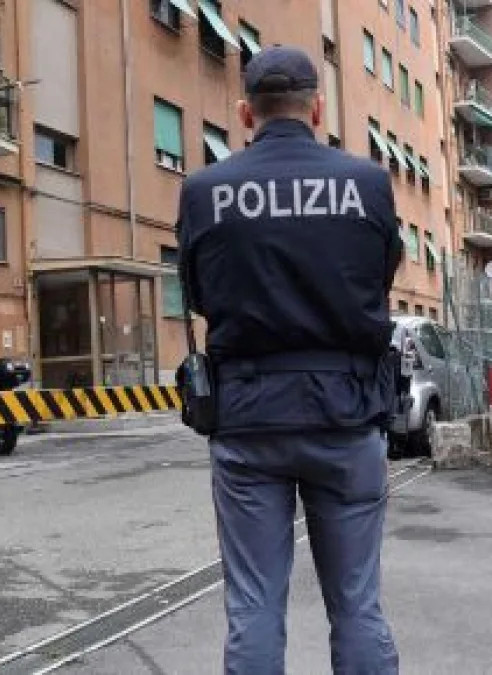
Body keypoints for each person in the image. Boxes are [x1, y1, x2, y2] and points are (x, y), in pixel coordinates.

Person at [174, 45, 403, 675]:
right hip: (347, 413)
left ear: (245, 113)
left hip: (248, 417)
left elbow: (198, 295)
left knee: (253, 605)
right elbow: (380, 278)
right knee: (357, 605)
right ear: (318, 109)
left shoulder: (204, 190)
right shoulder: (368, 183)